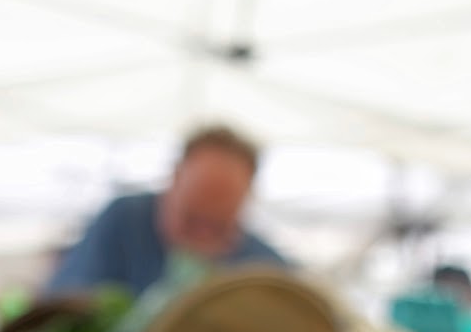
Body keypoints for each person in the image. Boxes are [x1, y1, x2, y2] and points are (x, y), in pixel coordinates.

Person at [45, 124, 289, 298]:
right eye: (192, 220)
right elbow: (62, 305)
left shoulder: (264, 270)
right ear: (173, 179)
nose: (202, 235)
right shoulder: (124, 221)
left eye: (218, 227)